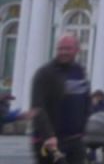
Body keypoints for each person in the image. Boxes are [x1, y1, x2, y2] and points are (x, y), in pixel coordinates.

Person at [30, 35, 92, 164]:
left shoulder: (79, 71)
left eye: (68, 49)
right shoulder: (45, 73)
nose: (63, 52)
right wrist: (48, 136)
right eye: (60, 48)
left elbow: (86, 101)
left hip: (75, 140)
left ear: (77, 50)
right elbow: (38, 107)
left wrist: (85, 129)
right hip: (50, 142)